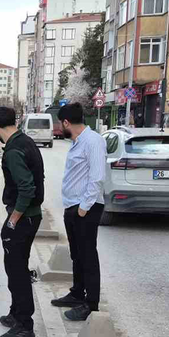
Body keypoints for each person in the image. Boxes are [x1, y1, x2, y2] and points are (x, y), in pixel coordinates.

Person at [0, 107, 45, 337]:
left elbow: (27, 188)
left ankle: (24, 325)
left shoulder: (13, 150)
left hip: (23, 217)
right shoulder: (26, 141)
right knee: (16, 266)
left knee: (17, 272)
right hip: (30, 216)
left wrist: (13, 220)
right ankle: (16, 313)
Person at [51, 103, 107, 321]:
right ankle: (77, 293)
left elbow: (97, 177)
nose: (59, 126)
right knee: (77, 254)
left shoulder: (93, 141)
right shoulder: (77, 142)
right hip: (73, 206)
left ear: (66, 122)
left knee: (88, 256)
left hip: (86, 207)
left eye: (59, 122)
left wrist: (84, 208)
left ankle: (91, 304)